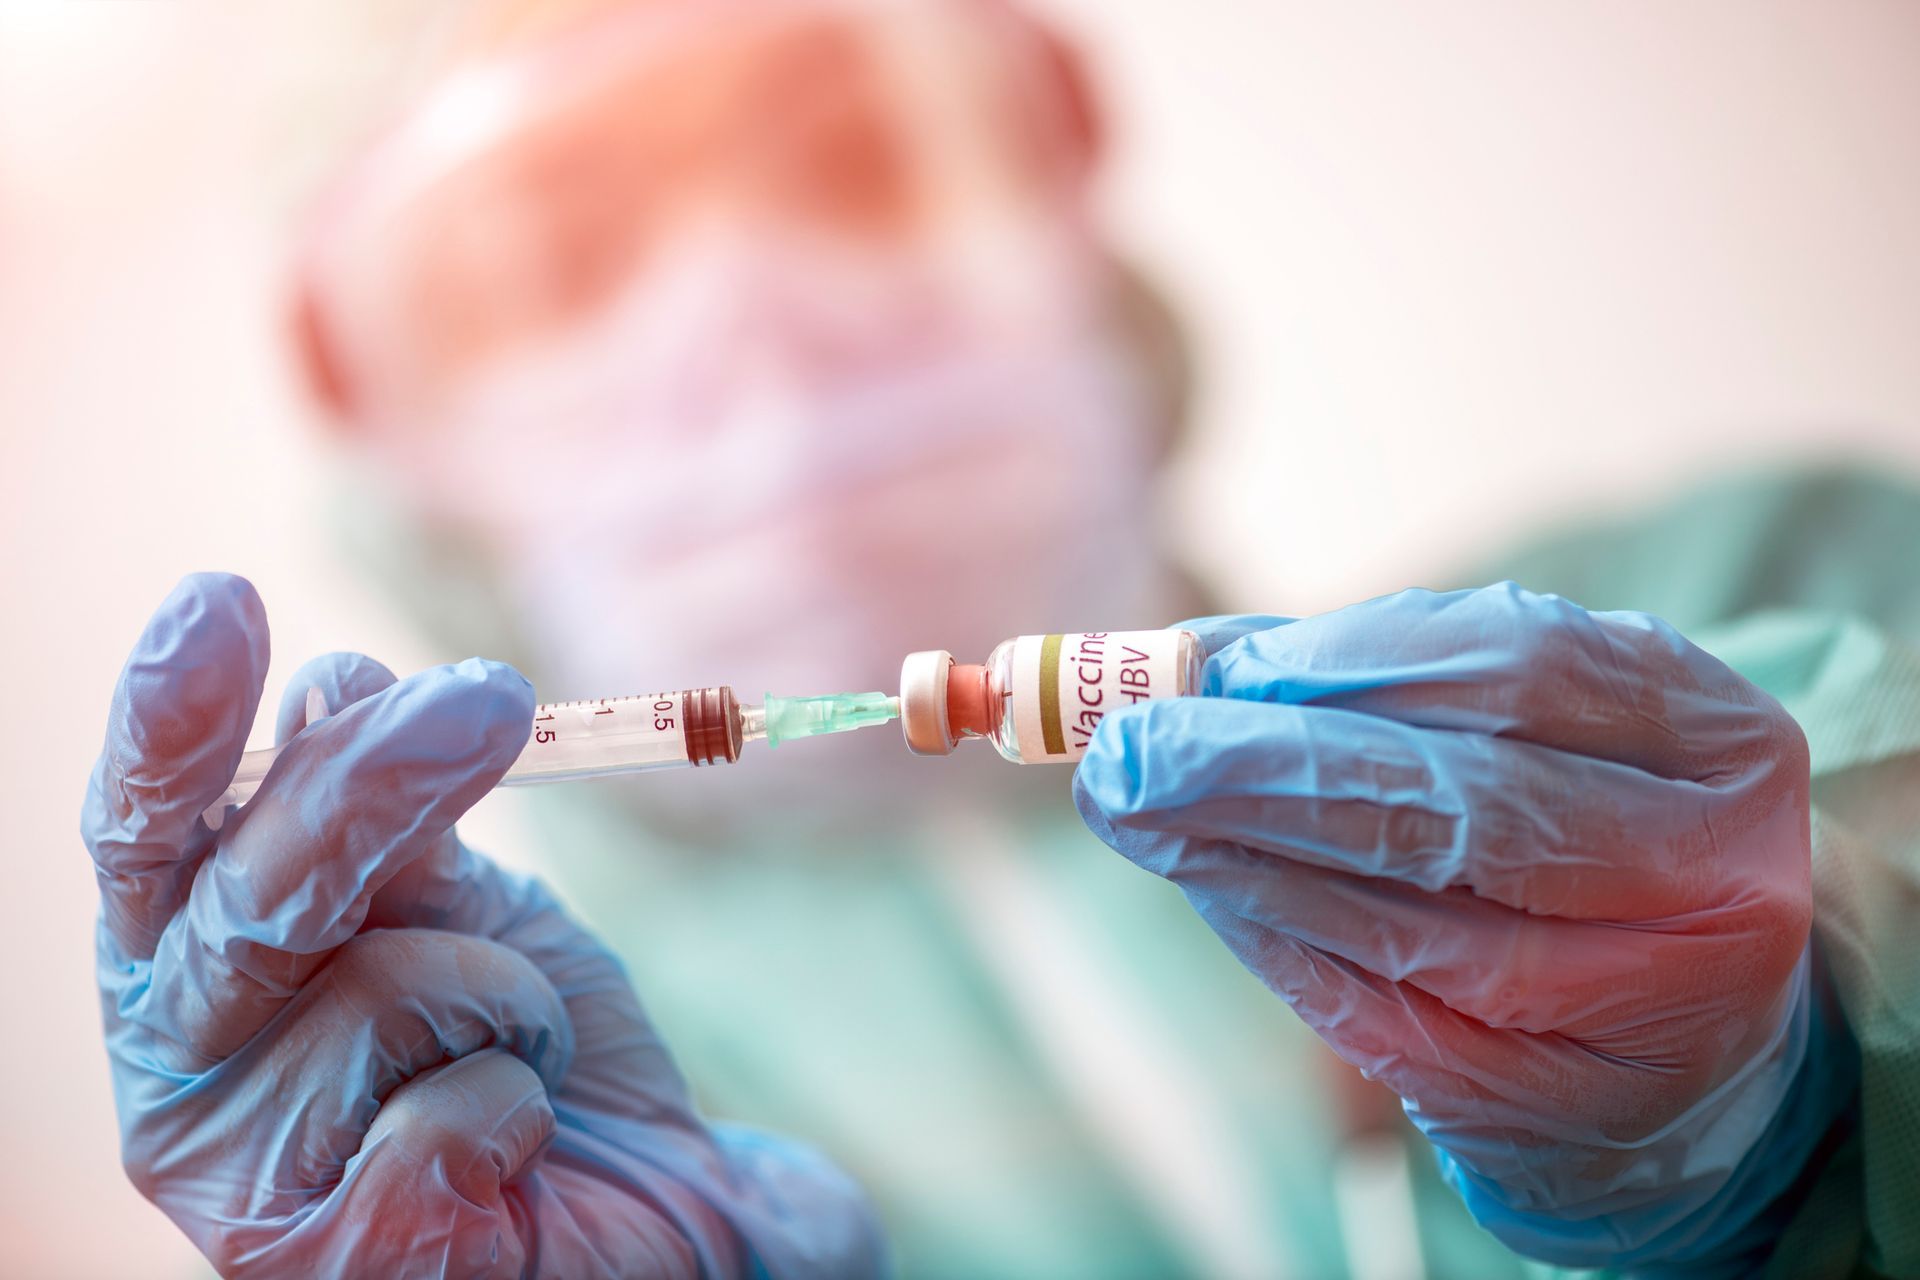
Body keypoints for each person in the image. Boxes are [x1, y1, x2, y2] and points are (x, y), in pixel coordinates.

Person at [80, 2, 1918, 1276]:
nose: (754, 323)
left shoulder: (1762, 619)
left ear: (1069, 215)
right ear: (409, 476)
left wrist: (1807, 1071)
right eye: (551, 258)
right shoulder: (494, 1123)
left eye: (854, 148)